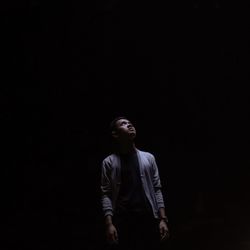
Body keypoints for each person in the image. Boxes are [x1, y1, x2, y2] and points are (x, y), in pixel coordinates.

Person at [100, 116, 170, 250]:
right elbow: (106, 194)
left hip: (147, 219)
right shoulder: (108, 162)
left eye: (130, 123)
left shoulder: (148, 158)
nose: (129, 125)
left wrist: (162, 219)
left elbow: (157, 189)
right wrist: (109, 224)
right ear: (115, 134)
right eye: (124, 124)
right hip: (123, 221)